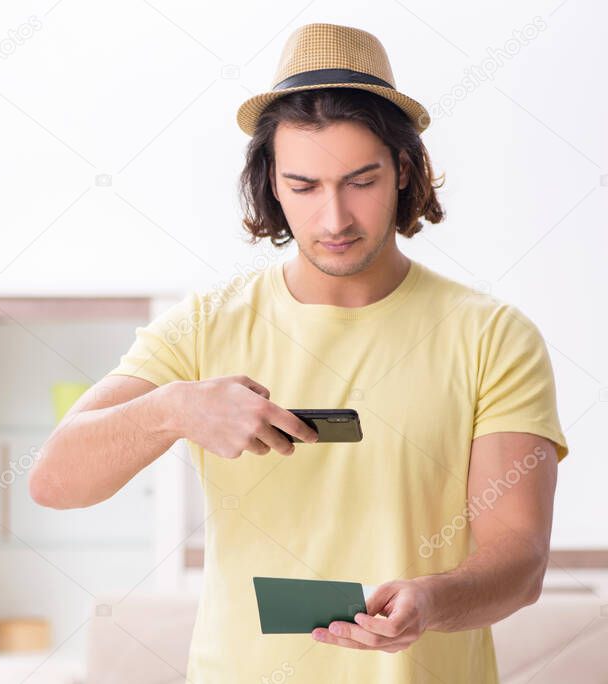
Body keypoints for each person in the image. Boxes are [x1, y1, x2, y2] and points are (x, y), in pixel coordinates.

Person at [29, 23, 568, 683]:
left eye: (360, 181)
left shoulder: (492, 336)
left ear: (403, 170)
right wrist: (173, 410)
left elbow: (520, 558)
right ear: (273, 184)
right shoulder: (203, 326)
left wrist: (434, 601)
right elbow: (52, 480)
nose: (334, 218)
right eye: (305, 186)